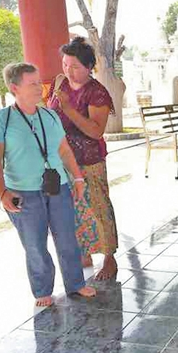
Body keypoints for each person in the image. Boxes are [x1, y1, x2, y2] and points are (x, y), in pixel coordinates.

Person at [0, 63, 96, 306]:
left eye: (39, 81)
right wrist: (2, 192)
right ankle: (42, 290)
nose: (39, 87)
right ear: (15, 88)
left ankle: (76, 284)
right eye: (32, 83)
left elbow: (64, 150)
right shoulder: (1, 120)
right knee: (35, 244)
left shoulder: (50, 114)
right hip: (23, 192)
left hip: (58, 186)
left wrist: (77, 178)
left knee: (67, 238)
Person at [47, 37, 119, 280]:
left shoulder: (97, 93)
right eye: (66, 64)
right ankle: (84, 252)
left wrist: (68, 109)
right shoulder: (59, 83)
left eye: (75, 66)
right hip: (63, 160)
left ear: (89, 67)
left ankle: (109, 257)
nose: (69, 71)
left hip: (89, 159)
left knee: (98, 206)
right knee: (74, 209)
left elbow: (96, 131)